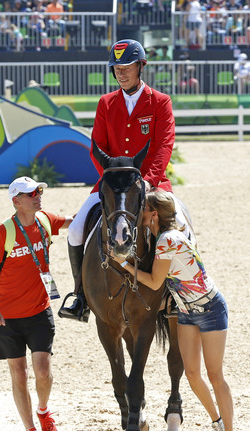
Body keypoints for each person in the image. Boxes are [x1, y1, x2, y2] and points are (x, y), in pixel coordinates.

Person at [59, 39, 182, 323]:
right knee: (76, 230)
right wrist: (110, 180)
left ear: (140, 67)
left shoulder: (160, 102)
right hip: (113, 184)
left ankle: (178, 292)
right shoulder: (106, 103)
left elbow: (164, 145)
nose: (122, 73)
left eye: (127, 67)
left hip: (152, 183)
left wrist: (148, 181)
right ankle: (80, 295)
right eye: (117, 68)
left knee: (181, 226)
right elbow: (96, 147)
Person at [119, 190, 239, 431]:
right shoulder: (159, 236)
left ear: (153, 214)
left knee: (215, 376)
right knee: (193, 375)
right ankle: (217, 424)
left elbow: (153, 282)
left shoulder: (167, 240)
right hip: (185, 311)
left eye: (143, 209)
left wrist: (123, 263)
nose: (139, 212)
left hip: (210, 309)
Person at [0, 176, 72, 431]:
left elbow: (74, 221)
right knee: (18, 374)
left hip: (39, 310)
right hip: (5, 316)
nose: (38, 195)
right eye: (31, 193)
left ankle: (44, 412)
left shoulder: (45, 220)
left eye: (39, 190)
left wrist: (103, 203)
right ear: (16, 201)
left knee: (43, 371)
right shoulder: (2, 231)